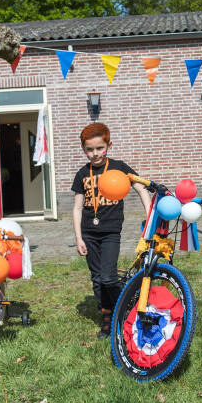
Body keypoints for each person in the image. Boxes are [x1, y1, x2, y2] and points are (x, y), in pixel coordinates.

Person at [71, 123, 151, 339]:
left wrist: (149, 214)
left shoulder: (119, 167)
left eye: (99, 148)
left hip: (110, 233)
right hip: (88, 233)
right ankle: (106, 317)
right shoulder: (82, 174)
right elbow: (78, 207)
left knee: (108, 277)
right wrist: (78, 237)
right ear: (84, 149)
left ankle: (121, 310)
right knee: (97, 278)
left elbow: (141, 189)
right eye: (89, 149)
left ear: (108, 145)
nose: (95, 154)